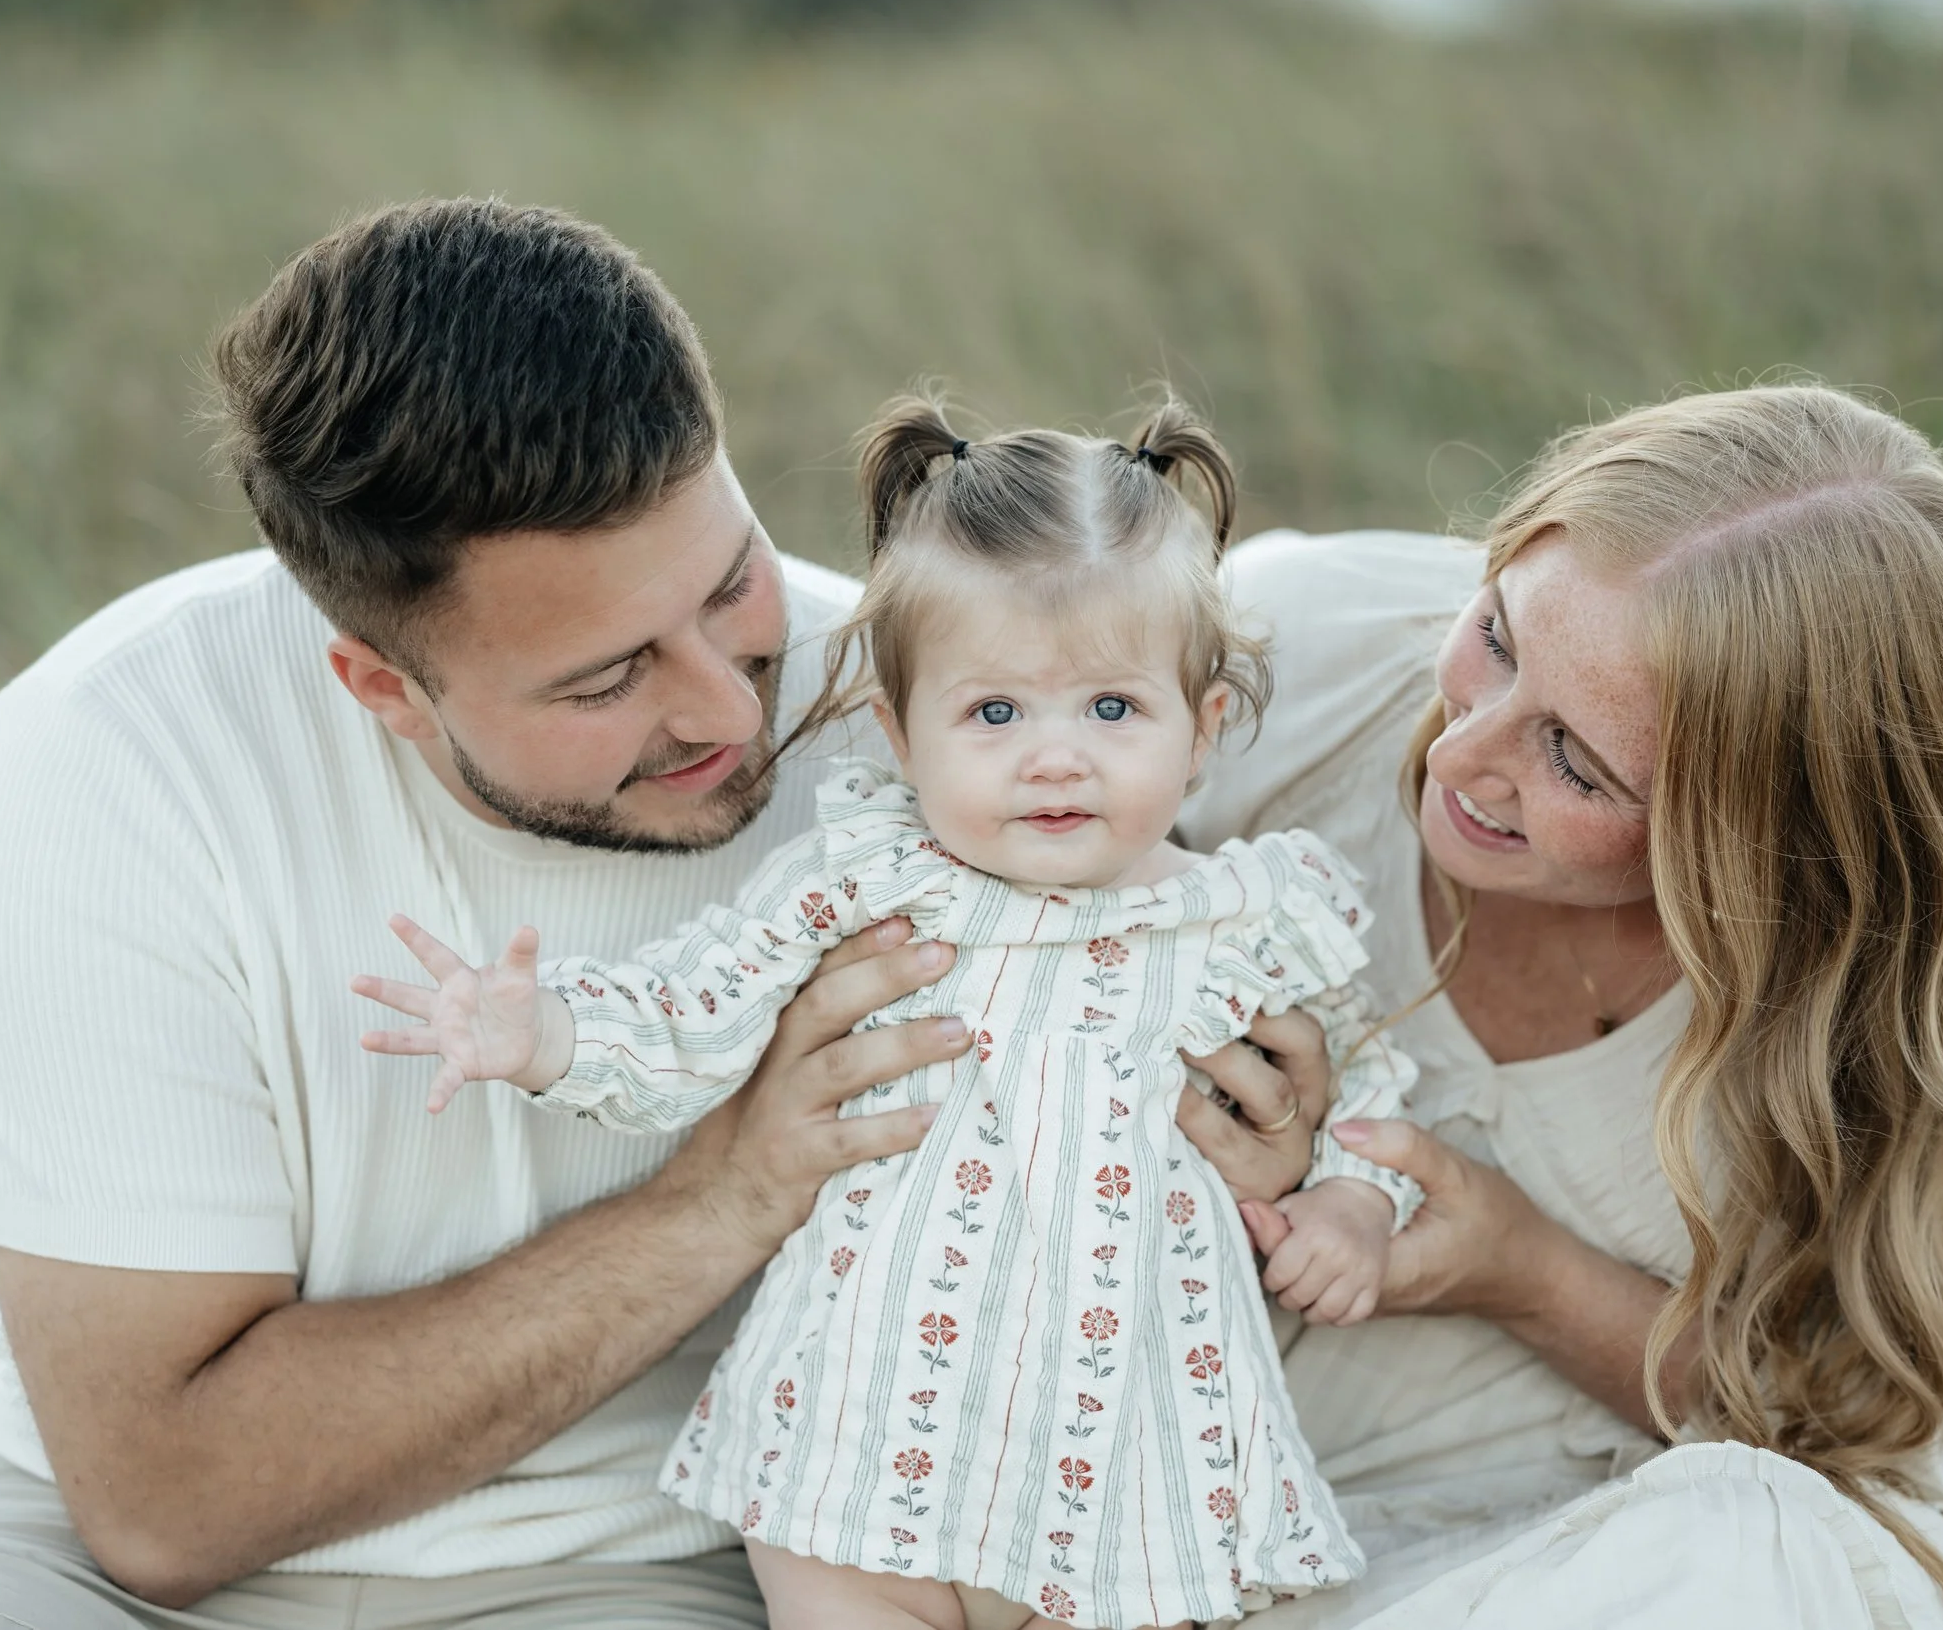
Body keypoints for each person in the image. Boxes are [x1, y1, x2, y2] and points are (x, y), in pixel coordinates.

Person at [0, 201, 1325, 1630]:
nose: (733, 704)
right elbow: (164, 1499)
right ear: (380, 684)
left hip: (630, 1558)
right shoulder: (122, 745)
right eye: (604, 680)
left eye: (729, 585)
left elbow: (1118, 1096)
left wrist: (1257, 1150)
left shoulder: (933, 720)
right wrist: (724, 1192)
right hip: (74, 1554)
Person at [352, 394, 1424, 1630]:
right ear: (901, 734)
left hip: (1126, 1470)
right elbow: (700, 1005)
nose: (1055, 757)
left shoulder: (1246, 921)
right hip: (862, 1442)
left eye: (1114, 709)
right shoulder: (867, 881)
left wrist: (1349, 1197)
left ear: (1205, 728)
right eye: (995, 712)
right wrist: (540, 1031)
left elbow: (1364, 1083)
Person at [1190, 386, 1943, 1628]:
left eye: (1573, 760)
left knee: (1742, 1556)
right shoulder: (1314, 642)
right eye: (1494, 636)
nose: (1457, 750)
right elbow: (913, 674)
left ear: (1764, 846)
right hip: (1148, 1512)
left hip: (1575, 1566)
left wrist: (1529, 1273)